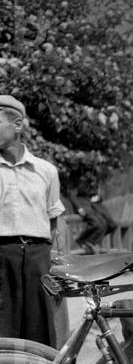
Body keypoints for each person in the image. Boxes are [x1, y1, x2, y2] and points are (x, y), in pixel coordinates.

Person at [0, 95, 64, 349]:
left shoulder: (45, 171)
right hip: (2, 256)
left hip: (39, 256)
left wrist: (55, 260)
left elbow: (53, 220)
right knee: (3, 325)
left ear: (17, 125)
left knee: (39, 325)